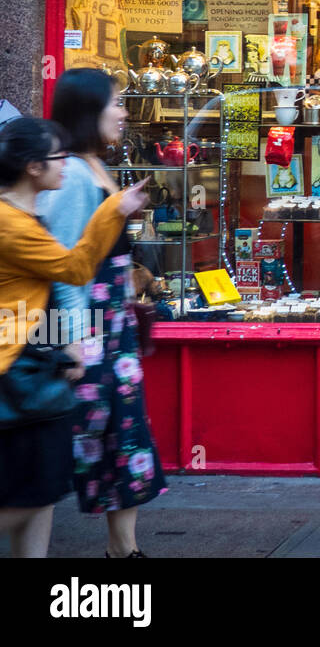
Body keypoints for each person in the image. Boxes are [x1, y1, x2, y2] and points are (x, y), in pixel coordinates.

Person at [0, 117, 150, 558]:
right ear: (32, 167)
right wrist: (113, 210)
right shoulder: (14, 225)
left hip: (30, 357)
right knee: (32, 493)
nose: (64, 165)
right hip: (16, 365)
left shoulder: (25, 214)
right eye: (56, 157)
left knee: (40, 493)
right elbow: (74, 270)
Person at [45, 69, 168, 558]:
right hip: (87, 328)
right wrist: (68, 341)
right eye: (114, 104)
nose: (122, 113)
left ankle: (124, 550)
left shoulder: (95, 167)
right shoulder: (73, 174)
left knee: (124, 432)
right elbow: (59, 267)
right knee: (75, 438)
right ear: (86, 111)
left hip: (111, 325)